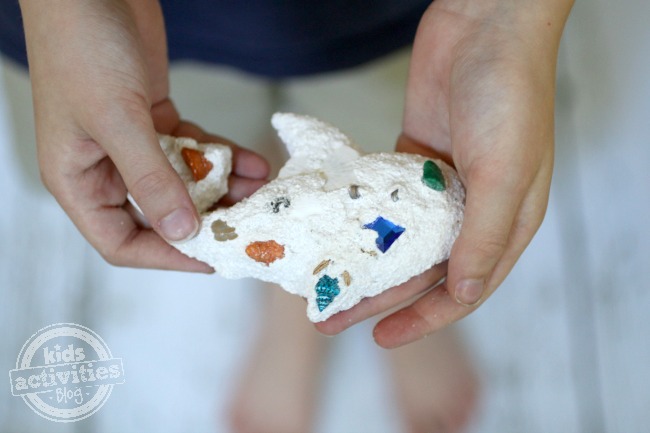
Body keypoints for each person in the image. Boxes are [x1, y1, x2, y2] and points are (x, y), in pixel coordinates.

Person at [1, 0, 574, 431]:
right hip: (122, 19)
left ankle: (380, 284)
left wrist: (504, 15)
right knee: (154, 133)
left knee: (392, 114)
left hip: (400, 19)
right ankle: (289, 292)